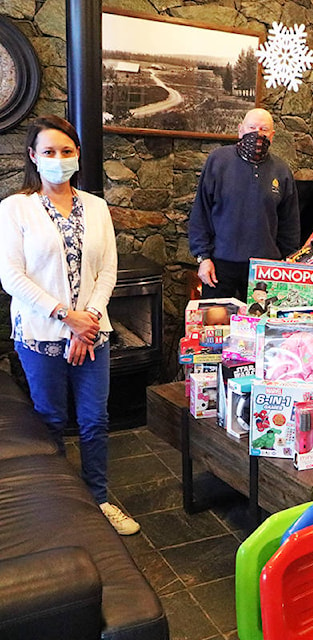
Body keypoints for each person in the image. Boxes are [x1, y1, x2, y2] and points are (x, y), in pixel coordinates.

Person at [0, 115, 140, 535]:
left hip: (93, 332)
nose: (58, 159)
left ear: (77, 154)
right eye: (48, 152)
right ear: (33, 157)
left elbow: (109, 271)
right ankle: (62, 507)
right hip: (41, 335)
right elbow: (12, 276)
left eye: (66, 151)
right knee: (51, 419)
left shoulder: (96, 208)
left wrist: (88, 322)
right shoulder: (15, 208)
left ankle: (98, 500)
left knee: (96, 420)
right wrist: (67, 318)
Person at [189, 108, 300, 300]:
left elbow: (289, 224)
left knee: (261, 328)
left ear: (272, 135)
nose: (258, 133)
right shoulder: (218, 161)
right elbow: (201, 213)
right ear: (240, 130)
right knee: (216, 326)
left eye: (264, 129)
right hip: (220, 266)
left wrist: (287, 263)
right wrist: (203, 257)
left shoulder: (282, 171)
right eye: (252, 127)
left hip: (265, 271)